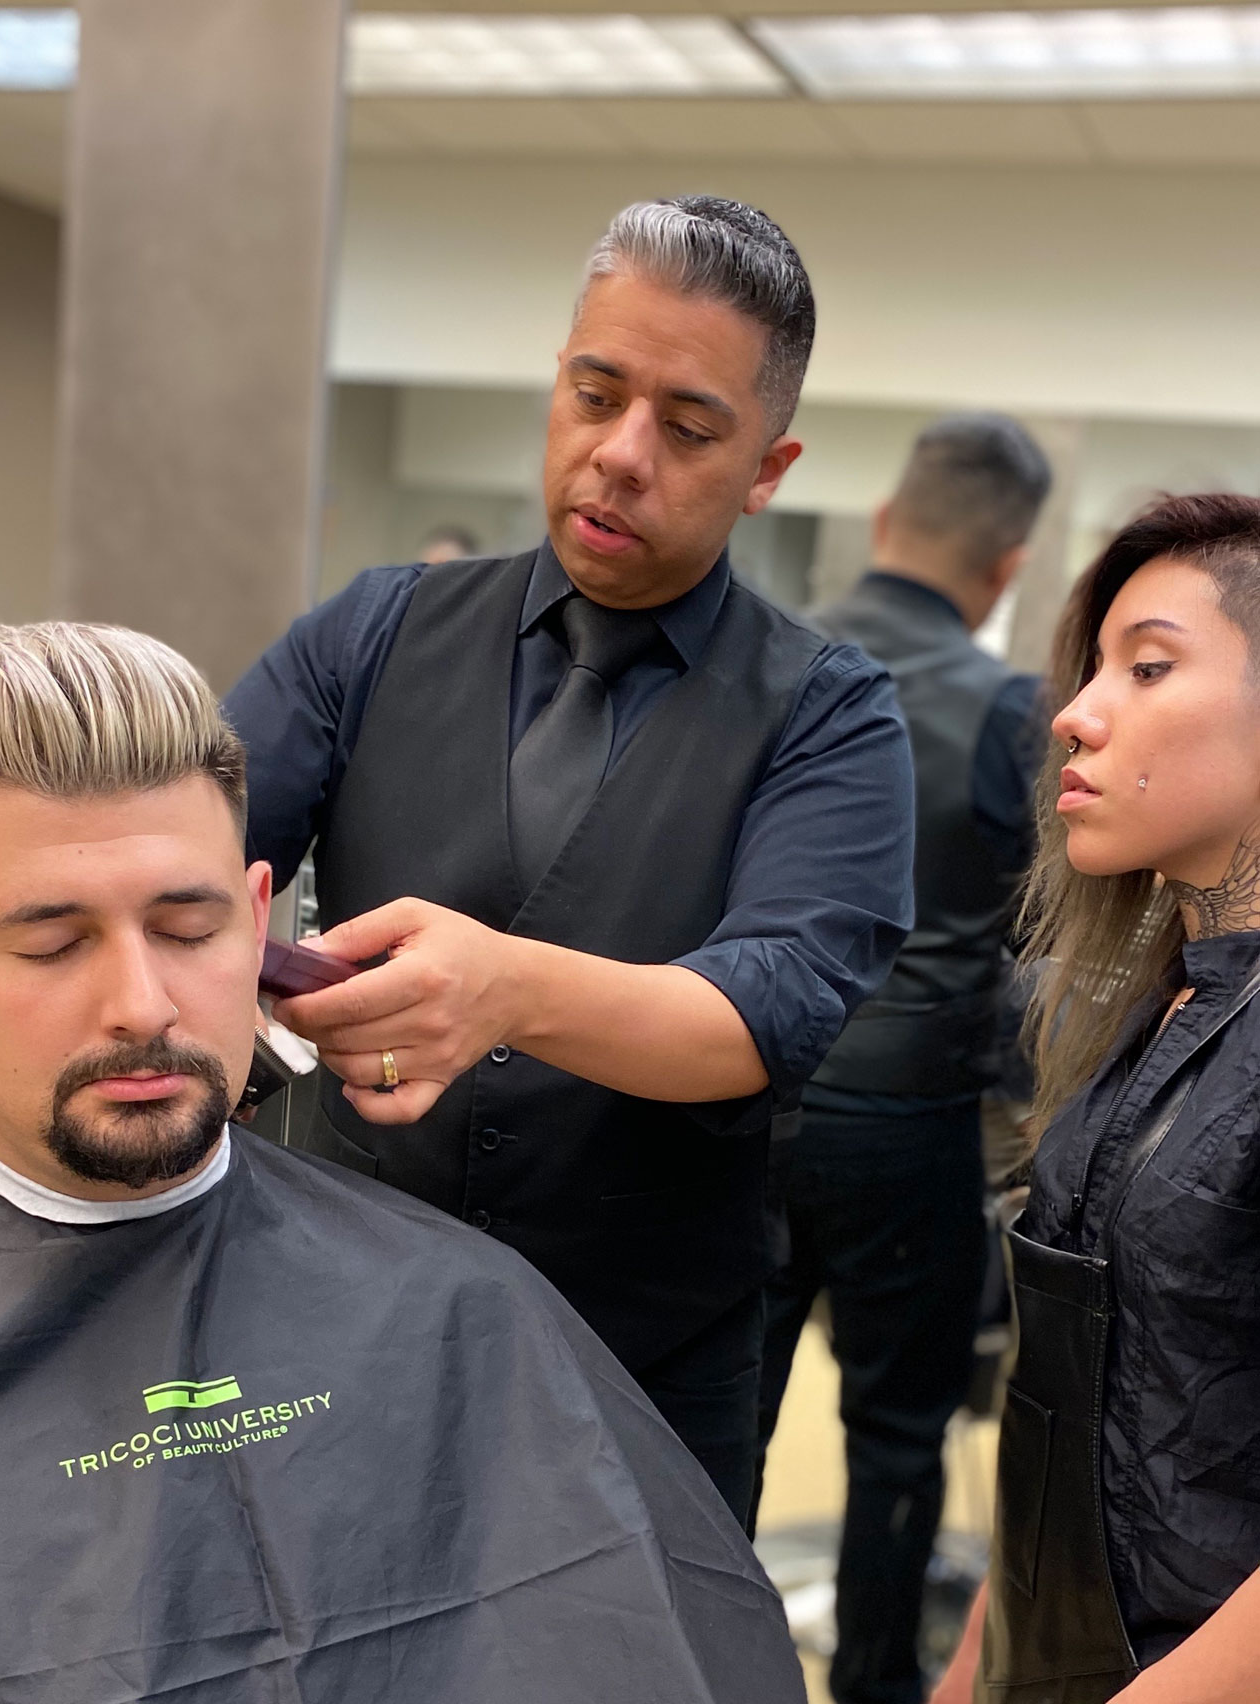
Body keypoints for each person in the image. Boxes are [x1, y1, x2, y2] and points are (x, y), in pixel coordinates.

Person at [0, 622, 821, 1704]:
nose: (140, 1003)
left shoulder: (460, 1311)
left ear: (256, 916)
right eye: (53, 940)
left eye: (188, 932)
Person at [224, 195, 914, 1529]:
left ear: (768, 467)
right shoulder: (376, 632)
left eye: (689, 427)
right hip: (342, 1312)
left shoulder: (827, 712)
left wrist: (506, 990)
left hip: (642, 1357)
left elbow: (768, 1003)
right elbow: (201, 859)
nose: (620, 454)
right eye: (594, 395)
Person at [919, 493, 1260, 1704]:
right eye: (1092, 667)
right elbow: (1096, 1388)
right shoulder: (1157, 1004)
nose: (1074, 711)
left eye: (1149, 666)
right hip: (1069, 1688)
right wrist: (990, 1643)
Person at [753, 413, 1052, 1704]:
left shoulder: (765, 660)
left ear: (882, 523)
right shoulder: (1006, 715)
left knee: (717, 1413)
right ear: (1002, 568)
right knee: (892, 1434)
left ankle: (691, 1694)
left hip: (741, 1095)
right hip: (910, 1122)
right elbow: (1041, 930)